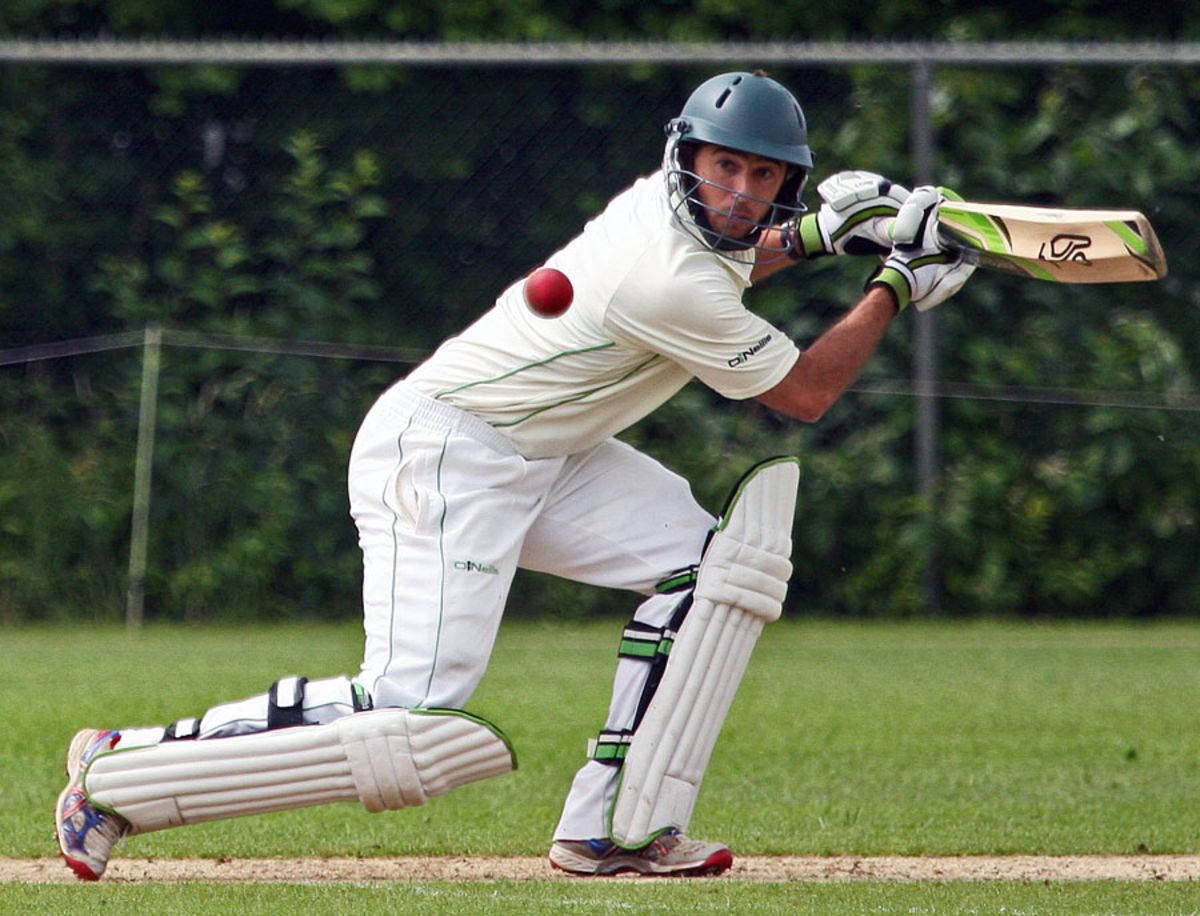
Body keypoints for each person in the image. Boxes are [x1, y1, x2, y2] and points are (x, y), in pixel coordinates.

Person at [55, 70, 973, 881]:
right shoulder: (663, 276)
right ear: (686, 156)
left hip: (546, 452)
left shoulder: (671, 219)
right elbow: (805, 392)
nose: (739, 191)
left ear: (784, 181)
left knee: (713, 572)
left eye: (763, 177)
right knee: (408, 709)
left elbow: (735, 254)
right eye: (724, 165)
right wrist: (894, 278)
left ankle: (611, 829)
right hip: (449, 452)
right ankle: (120, 767)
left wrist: (820, 237)